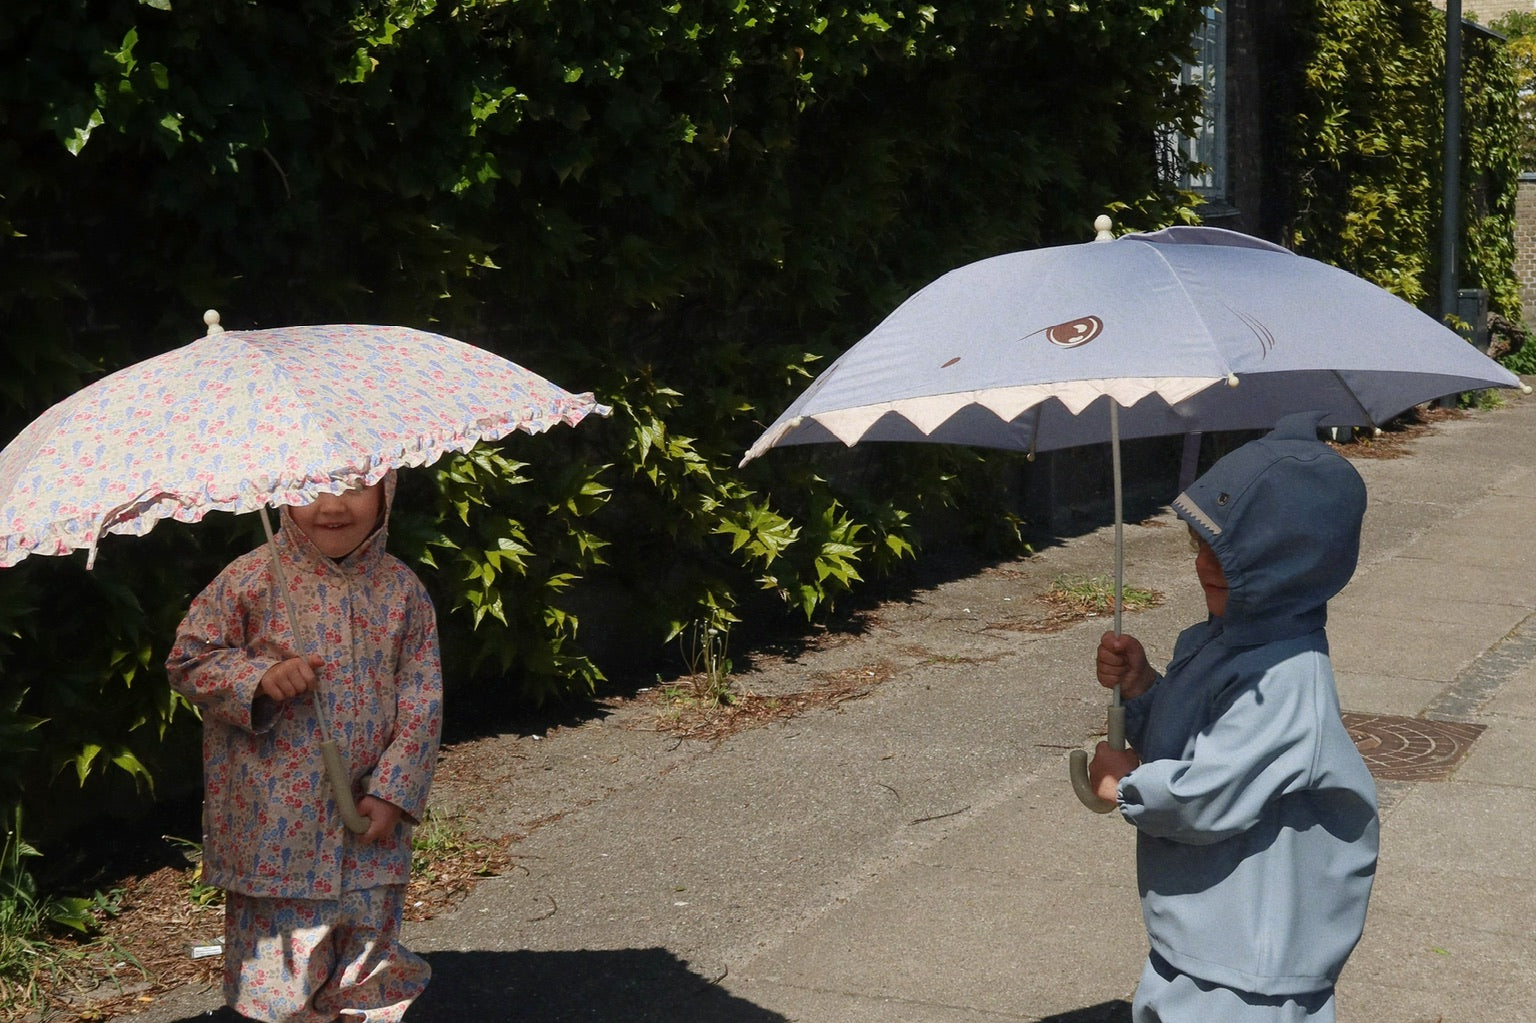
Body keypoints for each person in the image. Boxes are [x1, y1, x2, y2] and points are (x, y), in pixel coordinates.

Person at [1089, 412, 1379, 1023]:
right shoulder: (1225, 639)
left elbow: (1213, 790)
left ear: (1292, 567)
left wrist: (1127, 783)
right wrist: (1142, 690)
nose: (1204, 567)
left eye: (1230, 558)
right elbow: (1197, 729)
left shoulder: (1286, 676)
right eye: (1203, 547)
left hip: (1254, 951)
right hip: (1211, 923)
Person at [167, 472, 442, 1023]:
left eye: (358, 486)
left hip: (367, 821)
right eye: (312, 488)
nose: (333, 506)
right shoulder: (249, 579)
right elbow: (188, 661)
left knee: (369, 953)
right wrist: (258, 678)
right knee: (282, 965)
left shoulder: (401, 590)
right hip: (273, 824)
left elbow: (421, 697)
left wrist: (394, 789)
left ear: (387, 491)